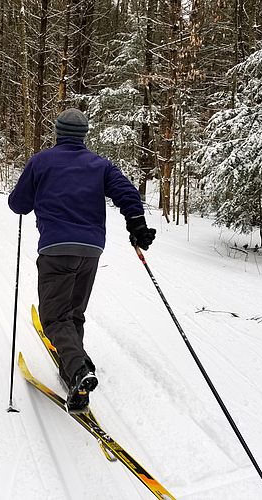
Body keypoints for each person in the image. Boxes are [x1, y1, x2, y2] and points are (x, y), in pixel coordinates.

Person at [8, 108, 156, 413]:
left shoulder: (41, 161)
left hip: (55, 249)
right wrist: (137, 226)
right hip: (90, 250)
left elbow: (17, 204)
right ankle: (74, 376)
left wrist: (35, 193)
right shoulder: (99, 164)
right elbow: (127, 193)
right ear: (83, 135)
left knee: (54, 318)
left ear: (58, 132)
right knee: (73, 314)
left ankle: (78, 369)